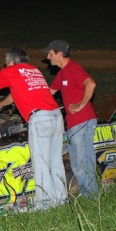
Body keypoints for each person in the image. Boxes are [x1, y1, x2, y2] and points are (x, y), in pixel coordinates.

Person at [0, 47, 66, 210]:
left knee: (40, 163)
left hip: (40, 119)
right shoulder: (33, 70)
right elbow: (15, 94)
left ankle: (45, 206)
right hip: (55, 116)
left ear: (11, 62)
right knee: (55, 161)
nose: (6, 67)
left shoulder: (13, 70)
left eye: (6, 64)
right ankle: (61, 200)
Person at [43, 39, 99, 199]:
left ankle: (93, 197)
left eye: (50, 53)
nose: (48, 57)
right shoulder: (61, 74)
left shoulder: (73, 68)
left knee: (84, 161)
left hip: (83, 120)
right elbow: (49, 93)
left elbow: (91, 84)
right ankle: (85, 194)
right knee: (76, 163)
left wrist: (81, 105)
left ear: (59, 53)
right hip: (74, 123)